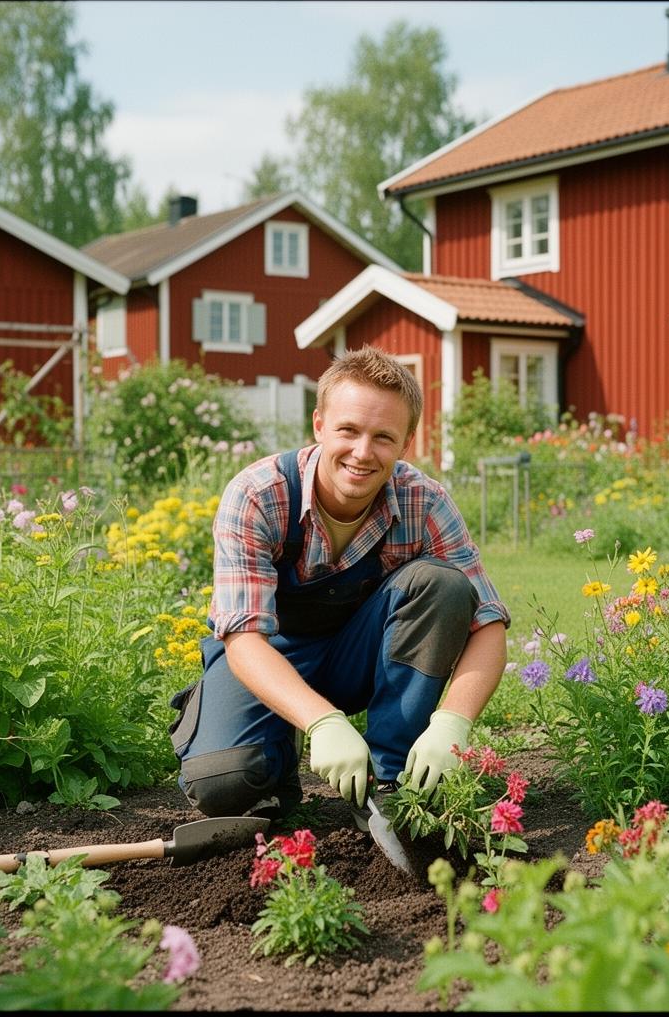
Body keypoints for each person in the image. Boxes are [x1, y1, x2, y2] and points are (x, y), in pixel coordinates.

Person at [168, 347, 510, 828]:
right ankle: (279, 748)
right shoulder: (259, 495)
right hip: (272, 658)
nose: (363, 452)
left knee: (444, 585)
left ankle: (390, 784)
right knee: (221, 780)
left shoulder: (425, 501)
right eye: (348, 430)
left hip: (360, 658)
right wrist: (323, 722)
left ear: (407, 443)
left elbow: (489, 624)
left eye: (383, 437)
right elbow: (243, 641)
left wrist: (453, 721)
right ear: (319, 426)